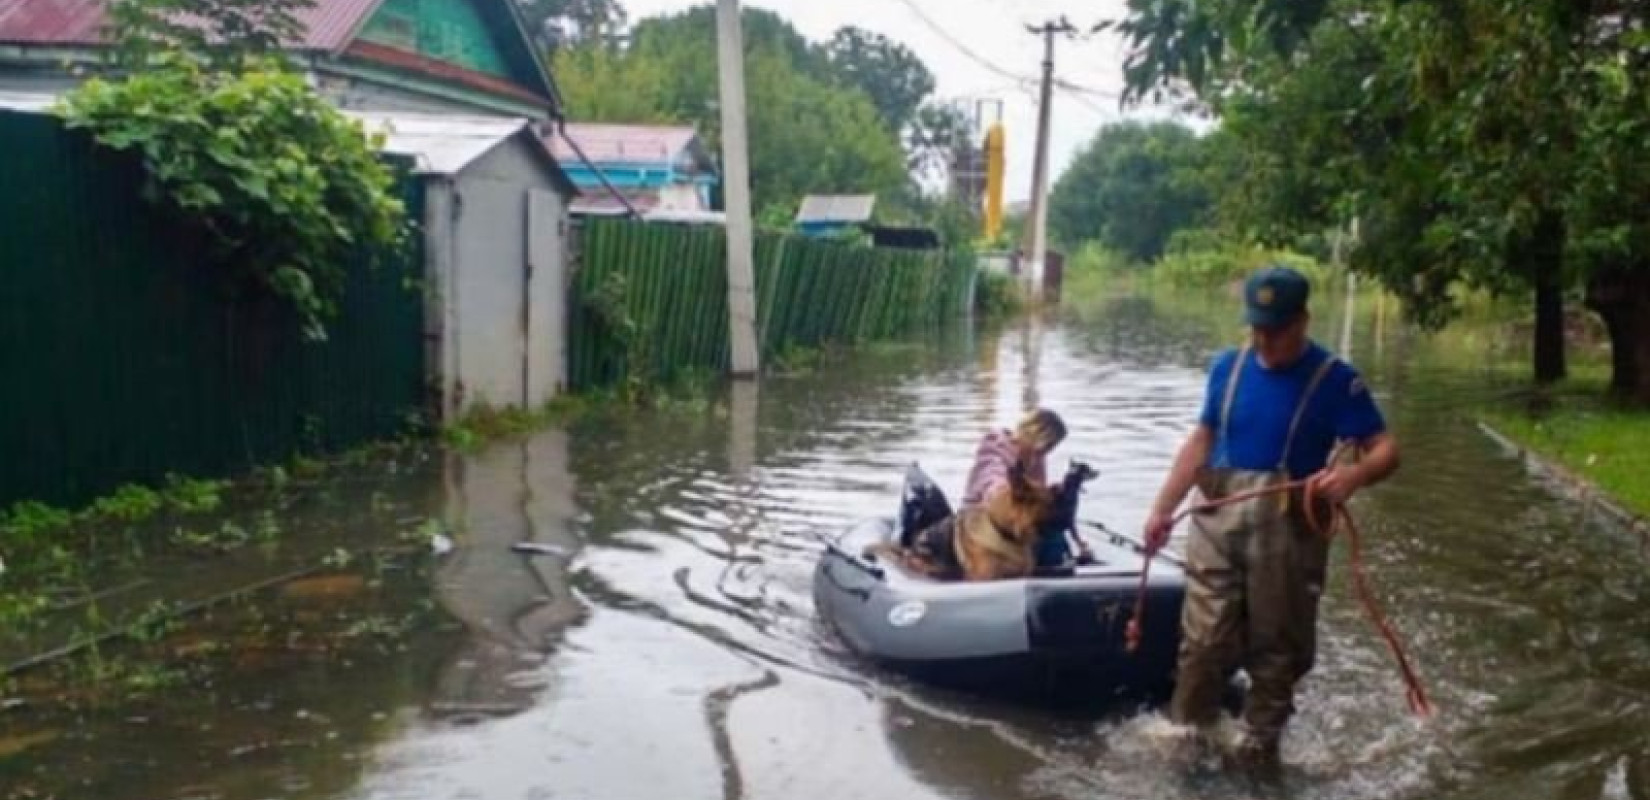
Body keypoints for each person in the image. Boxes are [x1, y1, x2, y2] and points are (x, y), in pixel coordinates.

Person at [1142, 265, 1401, 767]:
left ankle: (1259, 752)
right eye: (1257, 327)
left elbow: (1387, 449)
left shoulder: (1335, 381)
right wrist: (1162, 508)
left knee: (1277, 650)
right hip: (1216, 523)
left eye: (1275, 330)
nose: (1264, 339)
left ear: (1303, 321)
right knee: (1203, 642)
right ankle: (1185, 737)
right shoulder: (1227, 368)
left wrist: (1354, 477)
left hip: (1288, 536)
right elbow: (1201, 441)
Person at [961, 408, 1091, 568]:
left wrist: (1077, 540)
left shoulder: (1036, 458)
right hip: (980, 522)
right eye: (1048, 445)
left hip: (1016, 521)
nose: (1046, 452)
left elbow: (1037, 501)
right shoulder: (995, 448)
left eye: (1051, 448)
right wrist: (1010, 493)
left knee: (1054, 537)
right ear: (1036, 435)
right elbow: (992, 482)